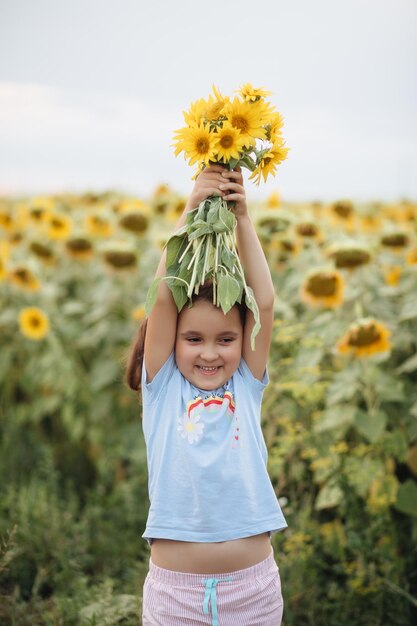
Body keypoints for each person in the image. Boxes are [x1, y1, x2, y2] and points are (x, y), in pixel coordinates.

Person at [126, 164, 287, 625]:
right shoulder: (163, 389)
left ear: (244, 340)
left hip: (253, 591)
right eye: (193, 339)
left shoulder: (246, 384)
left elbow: (266, 300)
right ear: (171, 340)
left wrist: (242, 218)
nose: (210, 354)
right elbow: (162, 296)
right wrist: (193, 205)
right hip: (176, 598)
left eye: (226, 339)